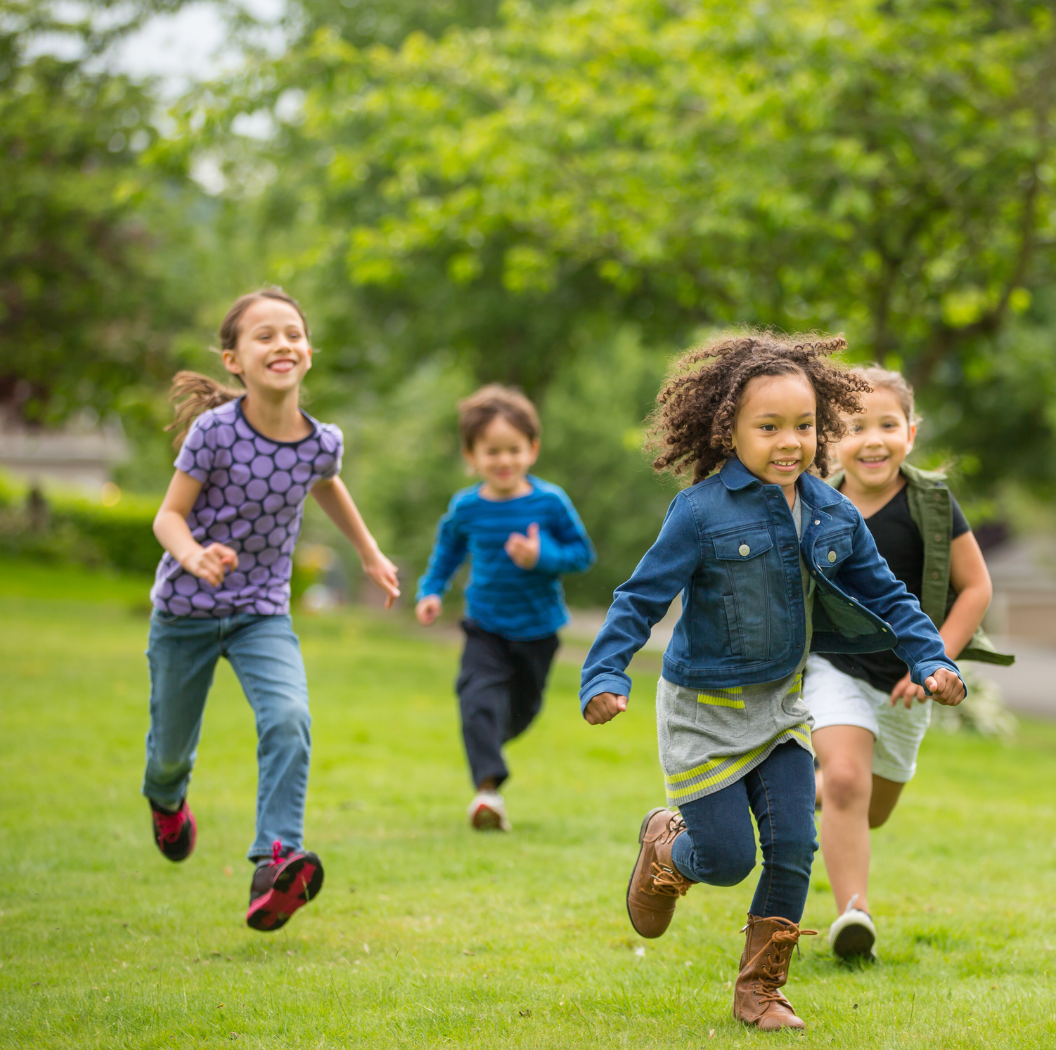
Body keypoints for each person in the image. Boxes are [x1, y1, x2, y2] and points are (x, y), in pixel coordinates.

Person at [579, 333, 966, 1032]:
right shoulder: (699, 513)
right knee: (724, 860)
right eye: (769, 427)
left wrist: (931, 657)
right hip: (703, 712)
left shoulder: (829, 511)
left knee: (793, 842)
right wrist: (604, 672)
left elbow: (888, 593)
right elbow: (639, 599)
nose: (791, 442)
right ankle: (666, 848)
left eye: (805, 425)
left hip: (782, 708)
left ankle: (761, 990)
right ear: (729, 431)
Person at [143, 288, 400, 931]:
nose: (281, 344)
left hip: (262, 611)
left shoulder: (321, 442)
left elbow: (327, 484)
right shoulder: (215, 432)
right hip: (185, 610)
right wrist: (195, 554)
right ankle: (167, 799)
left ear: (308, 352)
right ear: (234, 360)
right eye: (264, 336)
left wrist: (369, 552)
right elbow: (168, 516)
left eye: (292, 333)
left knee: (288, 716)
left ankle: (275, 857)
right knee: (170, 752)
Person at [805, 367, 1013, 959]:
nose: (873, 439)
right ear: (830, 440)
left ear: (911, 433)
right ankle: (854, 914)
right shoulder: (814, 504)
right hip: (831, 667)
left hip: (906, 682)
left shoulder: (931, 503)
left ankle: (805, 787)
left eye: (887, 425)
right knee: (848, 780)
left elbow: (976, 588)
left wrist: (932, 661)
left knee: (872, 809)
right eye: (854, 426)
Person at [416, 385, 595, 831]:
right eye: (491, 451)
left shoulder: (549, 502)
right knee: (476, 699)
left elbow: (581, 554)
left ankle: (489, 747)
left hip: (538, 630)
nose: (503, 460)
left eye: (513, 450)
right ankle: (488, 794)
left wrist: (541, 558)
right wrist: (431, 590)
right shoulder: (467, 507)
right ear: (471, 455)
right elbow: (447, 554)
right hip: (486, 625)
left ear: (532, 450)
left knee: (518, 713)